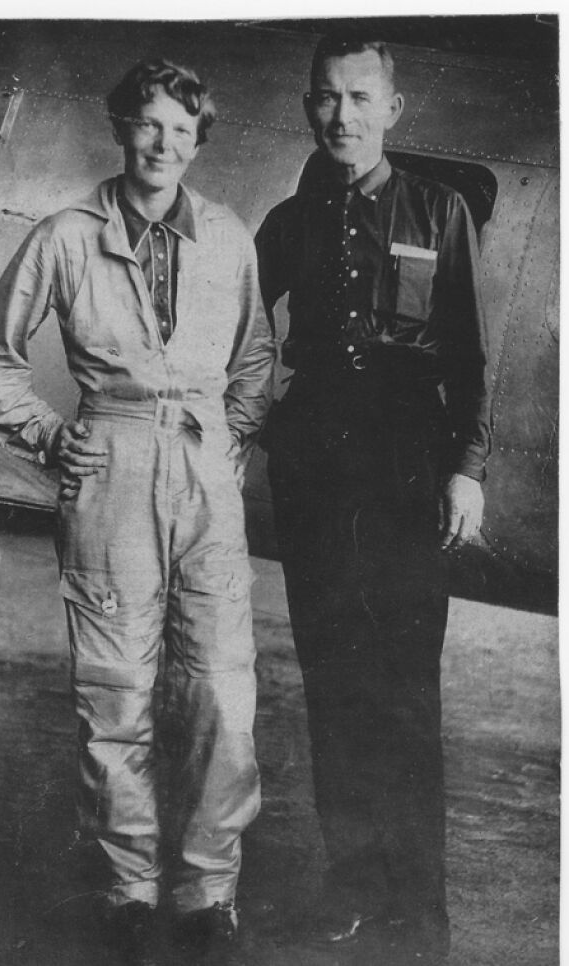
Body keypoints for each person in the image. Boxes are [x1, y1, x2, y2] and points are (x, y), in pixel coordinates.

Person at [0, 59, 274, 966]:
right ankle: (129, 890)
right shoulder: (66, 237)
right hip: (110, 471)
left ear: (198, 140)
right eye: (148, 124)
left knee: (222, 692)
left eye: (181, 129)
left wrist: (228, 438)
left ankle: (208, 891)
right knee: (116, 695)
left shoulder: (228, 237)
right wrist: (49, 435)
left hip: (205, 477)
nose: (162, 144)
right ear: (119, 127)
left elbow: (255, 358)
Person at [256, 33, 491, 964]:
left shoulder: (439, 210)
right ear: (307, 107)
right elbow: (239, 337)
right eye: (326, 97)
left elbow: (468, 353)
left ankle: (419, 910)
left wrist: (466, 467)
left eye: (360, 98)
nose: (341, 115)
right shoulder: (286, 223)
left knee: (404, 687)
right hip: (314, 465)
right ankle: (353, 885)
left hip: (405, 465)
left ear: (392, 109)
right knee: (333, 680)